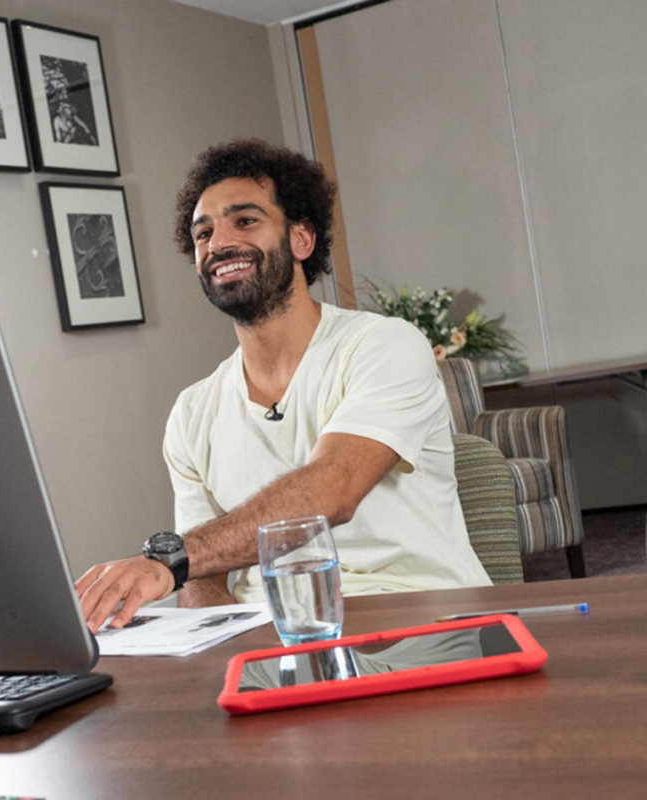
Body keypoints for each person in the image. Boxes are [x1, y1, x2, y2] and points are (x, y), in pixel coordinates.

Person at [74, 138, 491, 632]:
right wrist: (222, 654)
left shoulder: (385, 346)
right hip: (274, 640)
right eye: (203, 232)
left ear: (301, 239)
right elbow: (204, 581)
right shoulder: (192, 413)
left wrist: (170, 560)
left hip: (421, 622)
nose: (218, 243)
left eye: (245, 221)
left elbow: (332, 490)